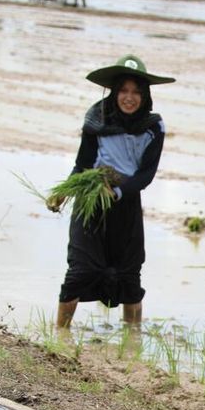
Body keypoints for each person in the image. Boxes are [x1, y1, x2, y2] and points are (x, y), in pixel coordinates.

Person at [56, 55, 175, 328]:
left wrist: (118, 193)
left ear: (145, 96)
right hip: (91, 202)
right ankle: (59, 336)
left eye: (136, 92)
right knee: (79, 271)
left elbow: (146, 175)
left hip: (126, 205)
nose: (129, 98)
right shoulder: (96, 119)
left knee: (129, 276)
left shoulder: (154, 126)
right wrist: (64, 191)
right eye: (123, 91)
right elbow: (83, 164)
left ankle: (132, 341)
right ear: (114, 92)